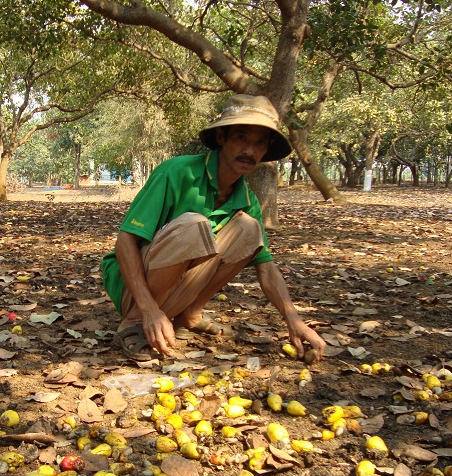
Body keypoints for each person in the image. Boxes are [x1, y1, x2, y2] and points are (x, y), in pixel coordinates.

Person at [101, 94, 326, 362]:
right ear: (221, 137)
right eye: (241, 137)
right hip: (134, 292)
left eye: (260, 143)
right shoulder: (176, 173)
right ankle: (134, 321)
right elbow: (125, 241)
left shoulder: (247, 201)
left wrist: (294, 320)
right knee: (194, 225)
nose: (250, 151)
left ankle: (188, 314)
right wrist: (148, 309)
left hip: (180, 290)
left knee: (249, 229)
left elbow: (266, 269)